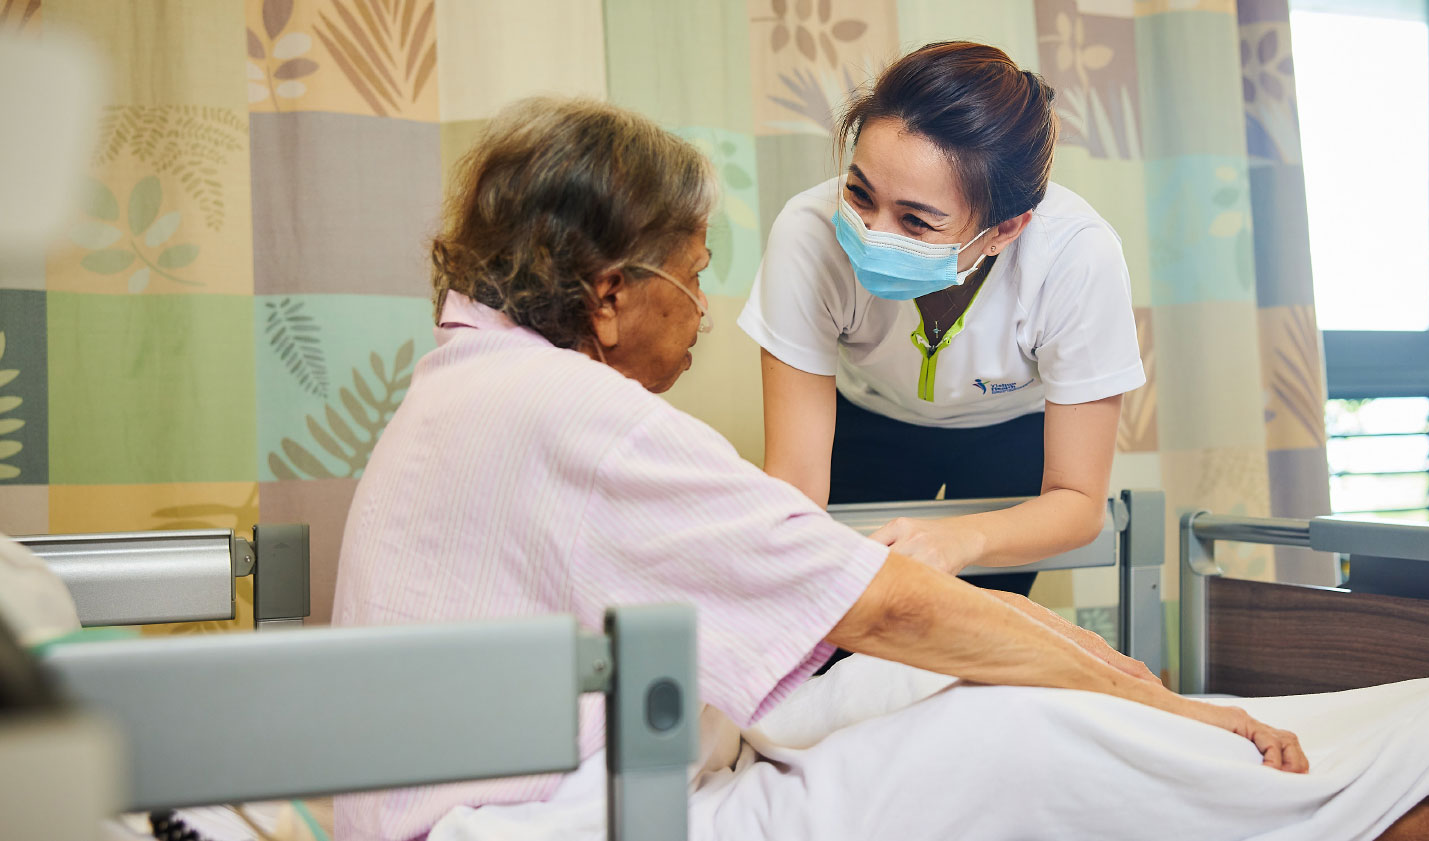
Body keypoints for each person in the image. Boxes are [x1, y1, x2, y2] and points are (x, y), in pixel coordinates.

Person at [329, 95, 1308, 841]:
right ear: (611, 297)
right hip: (519, 814)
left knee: (950, 690)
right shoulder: (584, 417)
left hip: (444, 798)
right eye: (698, 271)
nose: (708, 310)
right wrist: (1168, 705)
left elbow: (983, 547)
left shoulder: (465, 379)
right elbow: (886, 606)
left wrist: (1136, 685)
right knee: (1000, 729)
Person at [740, 42, 1142, 595]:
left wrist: (961, 540)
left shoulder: (1077, 256)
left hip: (1012, 430)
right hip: (871, 416)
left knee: (971, 626)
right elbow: (796, 485)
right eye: (860, 194)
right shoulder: (808, 233)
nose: (875, 232)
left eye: (917, 221)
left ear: (1005, 229)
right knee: (841, 624)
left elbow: (1077, 504)